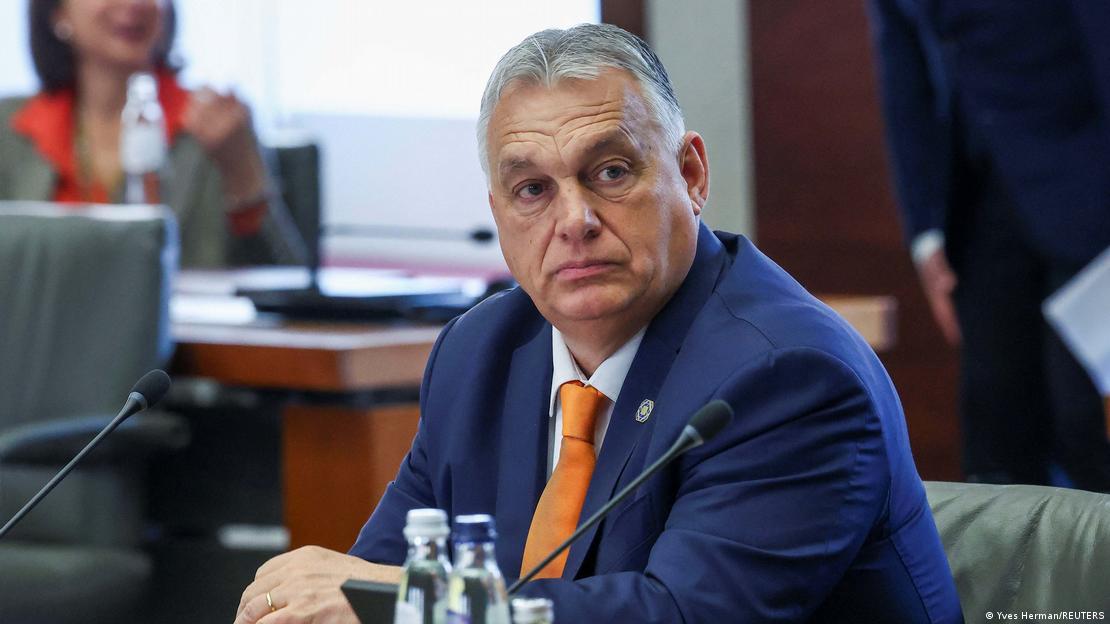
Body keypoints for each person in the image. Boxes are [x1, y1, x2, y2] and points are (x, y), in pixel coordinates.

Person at [235, 24, 962, 623]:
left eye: (611, 172)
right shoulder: (479, 354)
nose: (574, 220)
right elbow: (369, 582)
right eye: (532, 189)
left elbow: (679, 613)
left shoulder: (789, 376)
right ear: (498, 215)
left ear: (691, 175)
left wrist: (413, 606)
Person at [867, 0, 1110, 489]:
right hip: (976, 205)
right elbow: (904, 70)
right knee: (995, 427)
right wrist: (925, 234)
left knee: (1082, 419)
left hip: (1090, 187)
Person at [0, 0, 305, 268]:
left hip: (179, 319)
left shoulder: (217, 125)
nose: (135, 3)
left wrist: (242, 175)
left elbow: (288, 284)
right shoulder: (9, 129)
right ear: (58, 12)